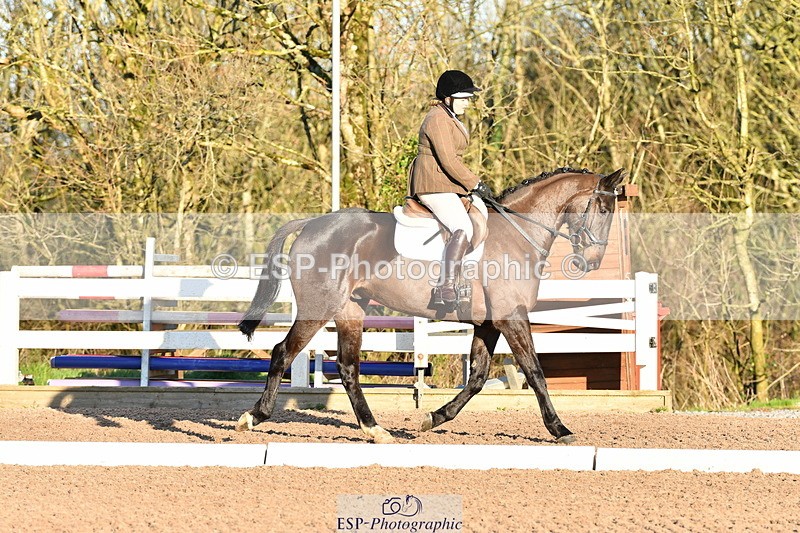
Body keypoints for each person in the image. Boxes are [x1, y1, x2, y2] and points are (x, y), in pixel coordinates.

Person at [408, 69, 492, 307]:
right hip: (432, 183)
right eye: (464, 98)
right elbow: (448, 160)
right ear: (448, 98)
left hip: (446, 183)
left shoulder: (449, 117)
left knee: (480, 213)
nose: (468, 103)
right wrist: (474, 183)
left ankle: (466, 276)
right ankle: (445, 286)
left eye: (469, 98)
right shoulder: (437, 118)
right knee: (462, 226)